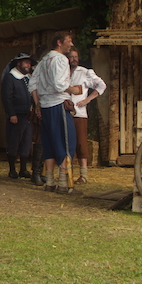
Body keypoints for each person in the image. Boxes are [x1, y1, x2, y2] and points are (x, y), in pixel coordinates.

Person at [28, 32, 83, 195]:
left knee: (50, 143)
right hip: (58, 104)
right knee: (66, 143)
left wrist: (38, 103)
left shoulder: (44, 60)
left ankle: (50, 182)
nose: (71, 44)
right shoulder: (60, 59)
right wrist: (74, 89)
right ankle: (63, 184)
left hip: (46, 106)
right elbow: (59, 85)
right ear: (59, 43)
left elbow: (33, 83)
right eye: (68, 41)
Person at [68, 46, 106, 185]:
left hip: (79, 113)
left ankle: (83, 175)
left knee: (81, 143)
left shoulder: (84, 72)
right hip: (64, 112)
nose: (73, 59)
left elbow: (101, 85)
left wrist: (88, 99)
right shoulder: (62, 73)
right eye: (71, 57)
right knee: (67, 143)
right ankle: (67, 172)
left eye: (75, 57)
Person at [1, 52, 40, 184]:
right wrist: (11, 114)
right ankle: (12, 169)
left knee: (26, 142)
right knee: (14, 142)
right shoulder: (10, 77)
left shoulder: (27, 79)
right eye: (26, 62)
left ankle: (23, 169)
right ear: (19, 63)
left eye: (29, 63)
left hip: (28, 115)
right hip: (17, 115)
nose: (28, 65)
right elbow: (7, 98)